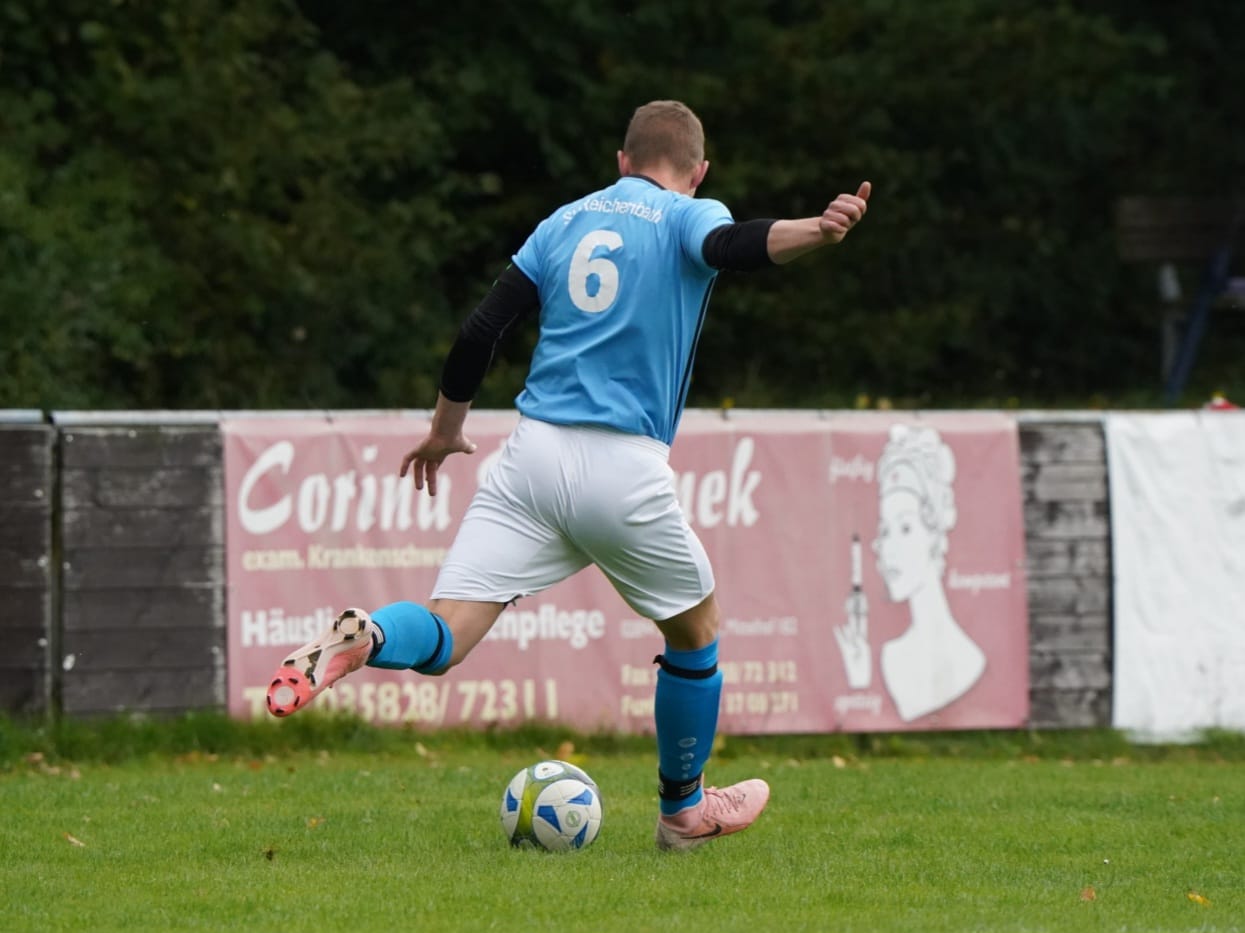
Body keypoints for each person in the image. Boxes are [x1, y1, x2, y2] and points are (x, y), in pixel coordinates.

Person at [265, 100, 870, 850]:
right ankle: (682, 814)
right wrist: (817, 229)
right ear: (698, 172)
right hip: (621, 465)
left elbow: (480, 330)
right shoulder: (687, 213)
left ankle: (371, 634)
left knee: (446, 634)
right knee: (695, 632)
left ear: (621, 161)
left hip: (531, 457)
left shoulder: (563, 222)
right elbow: (732, 244)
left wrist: (445, 430)